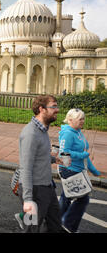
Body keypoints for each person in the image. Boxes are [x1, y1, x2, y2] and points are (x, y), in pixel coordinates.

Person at [18, 95, 64, 233]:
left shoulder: (42, 130)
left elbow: (38, 155)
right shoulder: (31, 133)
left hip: (47, 188)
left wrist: (53, 159)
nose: (57, 109)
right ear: (41, 109)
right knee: (31, 229)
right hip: (34, 189)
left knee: (55, 224)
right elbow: (25, 168)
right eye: (53, 106)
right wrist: (27, 199)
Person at [58, 109, 102, 233]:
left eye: (83, 118)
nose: (83, 121)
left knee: (66, 197)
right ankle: (68, 225)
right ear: (70, 120)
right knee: (83, 199)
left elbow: (85, 154)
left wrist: (94, 170)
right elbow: (63, 153)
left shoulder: (78, 132)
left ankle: (55, 222)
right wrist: (81, 155)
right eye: (80, 119)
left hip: (78, 170)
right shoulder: (67, 133)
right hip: (69, 169)